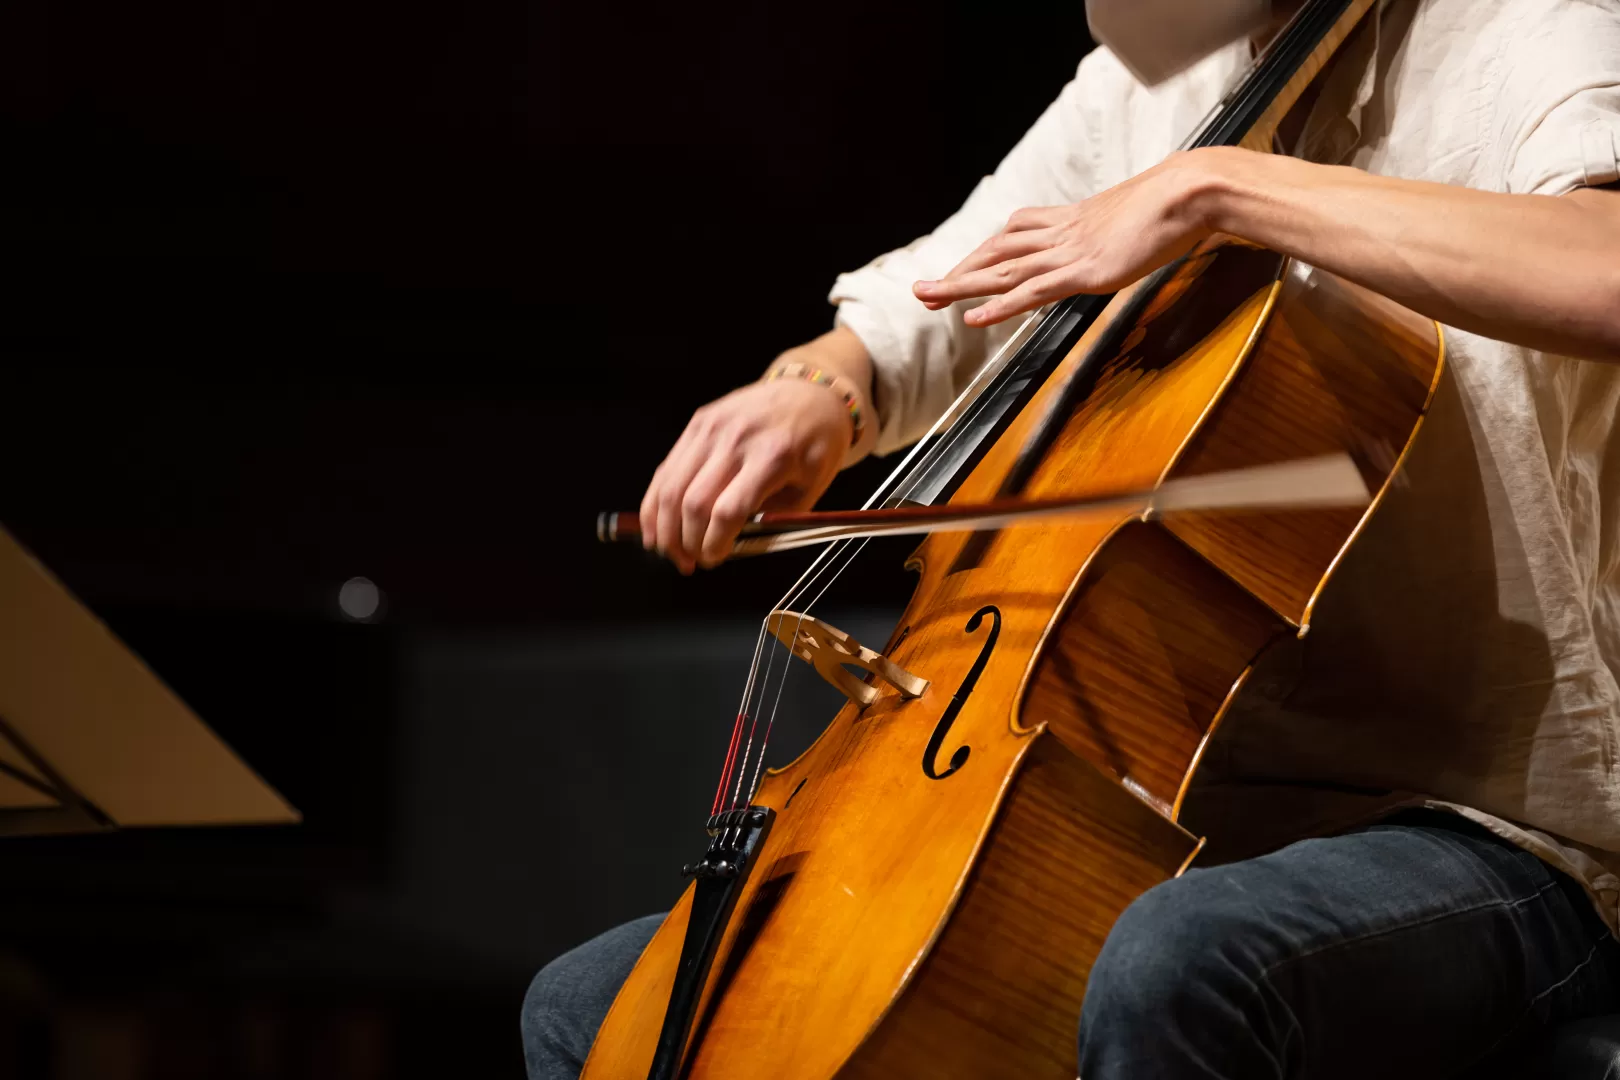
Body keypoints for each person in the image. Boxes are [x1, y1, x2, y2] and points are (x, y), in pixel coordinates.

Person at [526, 0, 1620, 1076]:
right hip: (1170, 805)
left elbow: (1601, 268)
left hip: (1487, 821)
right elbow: (939, 300)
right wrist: (825, 385)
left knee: (1180, 964)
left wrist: (1220, 187)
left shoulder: (1526, 23)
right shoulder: (1167, 65)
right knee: (591, 1009)